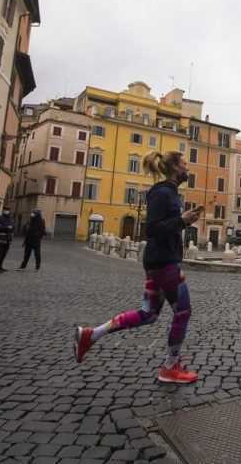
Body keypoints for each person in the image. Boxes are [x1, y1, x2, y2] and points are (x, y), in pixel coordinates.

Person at [74, 150, 203, 384]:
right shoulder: (163, 193)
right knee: (183, 312)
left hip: (159, 261)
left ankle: (91, 335)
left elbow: (166, 226)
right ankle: (170, 367)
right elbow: (152, 229)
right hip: (164, 262)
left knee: (149, 314)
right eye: (185, 164)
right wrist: (181, 221)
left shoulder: (169, 193)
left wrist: (183, 221)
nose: (188, 169)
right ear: (174, 167)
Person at [0, 207, 14, 273]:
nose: (7, 211)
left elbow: (13, 227)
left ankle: (0, 266)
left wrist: (11, 228)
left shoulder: (11, 218)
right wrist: (6, 228)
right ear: (3, 210)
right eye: (5, 210)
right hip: (1, 237)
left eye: (8, 210)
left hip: (8, 238)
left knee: (4, 254)